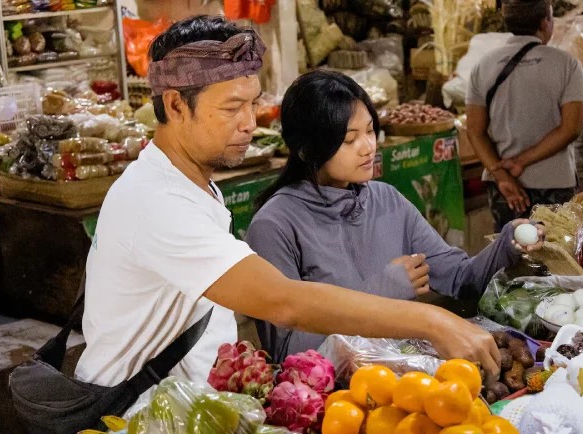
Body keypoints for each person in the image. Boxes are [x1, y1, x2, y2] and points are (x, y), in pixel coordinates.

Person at [74, 16, 502, 388]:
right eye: (231, 108)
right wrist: (431, 320)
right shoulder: (158, 203)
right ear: (175, 105)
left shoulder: (194, 185)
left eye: (254, 103)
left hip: (188, 409)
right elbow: (284, 302)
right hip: (139, 421)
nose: (248, 122)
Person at [245, 70, 544, 360]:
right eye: (350, 140)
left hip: (403, 378)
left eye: (370, 131)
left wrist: (507, 244)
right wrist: (383, 290)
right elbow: (288, 353)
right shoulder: (275, 225)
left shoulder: (386, 200)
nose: (369, 147)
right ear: (306, 150)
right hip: (339, 400)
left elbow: (462, 280)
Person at [465, 0, 583, 233]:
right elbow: (571, 128)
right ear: (545, 22)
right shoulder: (567, 64)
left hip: (503, 188)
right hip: (555, 183)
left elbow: (474, 130)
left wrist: (502, 175)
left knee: (509, 257)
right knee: (556, 258)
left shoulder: (482, 66)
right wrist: (521, 162)